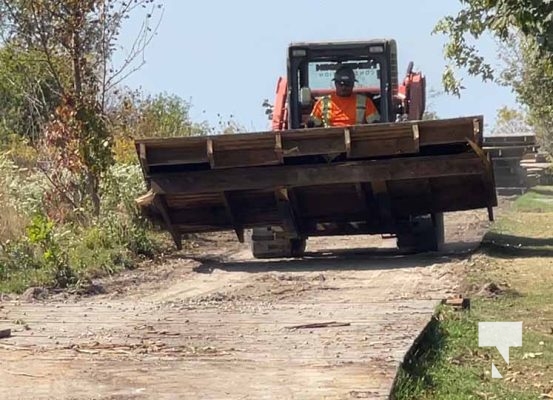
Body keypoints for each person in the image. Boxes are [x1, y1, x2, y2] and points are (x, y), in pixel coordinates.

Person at [308, 65, 380, 127]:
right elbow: (313, 126)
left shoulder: (365, 102)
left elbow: (375, 125)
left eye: (347, 84)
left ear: (353, 84)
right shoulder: (322, 103)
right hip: (329, 140)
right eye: (341, 84)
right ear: (335, 84)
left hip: (357, 139)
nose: (344, 87)